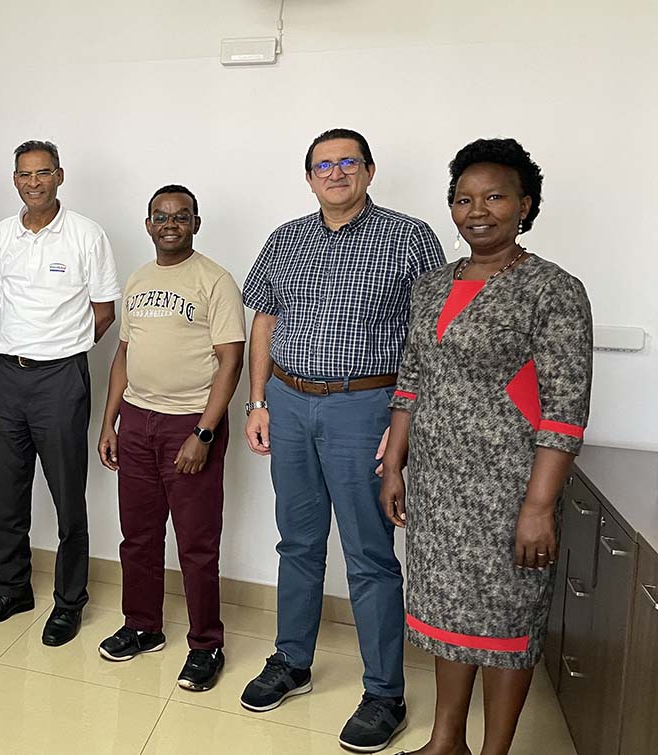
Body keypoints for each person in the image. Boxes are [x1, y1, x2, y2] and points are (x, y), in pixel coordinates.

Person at [380, 138, 592, 755]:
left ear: (524, 205)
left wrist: (539, 507)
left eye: (495, 197)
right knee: (449, 614)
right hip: (439, 486)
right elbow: (411, 380)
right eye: (464, 199)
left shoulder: (552, 289)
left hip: (510, 490)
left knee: (506, 622)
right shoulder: (431, 285)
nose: (478, 211)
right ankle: (446, 742)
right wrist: (394, 464)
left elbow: (565, 409)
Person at [240, 128, 445, 752]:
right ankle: (292, 661)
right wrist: (258, 401)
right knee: (298, 541)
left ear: (369, 170)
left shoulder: (409, 237)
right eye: (323, 165)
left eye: (347, 161)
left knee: (369, 553)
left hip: (366, 408)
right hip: (288, 402)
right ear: (309, 178)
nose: (335, 173)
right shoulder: (287, 238)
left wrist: (403, 423)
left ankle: (385, 693)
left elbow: (430, 336)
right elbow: (264, 319)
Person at [0, 140, 120, 647]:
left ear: (59, 176)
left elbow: (104, 312)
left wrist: (61, 349)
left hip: (61, 379)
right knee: (6, 492)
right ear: (15, 179)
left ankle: (69, 601)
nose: (33, 182)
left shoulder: (86, 234)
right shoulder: (3, 234)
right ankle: (12, 589)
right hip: (9, 376)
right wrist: (25, 348)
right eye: (24, 174)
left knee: (67, 496)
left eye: (42, 173)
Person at [96, 185, 245, 691]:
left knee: (196, 544)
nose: (170, 224)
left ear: (195, 224)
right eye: (161, 216)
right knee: (138, 536)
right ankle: (143, 626)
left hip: (189, 424)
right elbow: (123, 354)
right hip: (138, 421)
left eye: (181, 216)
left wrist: (204, 432)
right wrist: (110, 421)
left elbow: (231, 360)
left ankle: (206, 644)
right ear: (148, 224)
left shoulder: (215, 281)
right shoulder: (138, 279)